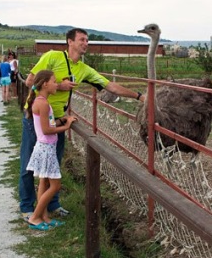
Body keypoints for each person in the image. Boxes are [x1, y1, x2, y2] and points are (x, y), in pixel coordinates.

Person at [19, 27, 145, 222]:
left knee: (53, 165)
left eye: (87, 40)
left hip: (58, 119)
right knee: (29, 163)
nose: (86, 43)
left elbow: (109, 86)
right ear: (70, 42)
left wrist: (139, 96)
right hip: (35, 118)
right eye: (82, 40)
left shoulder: (84, 69)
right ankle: (27, 207)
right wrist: (59, 86)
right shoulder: (53, 57)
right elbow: (29, 81)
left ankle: (52, 205)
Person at [25, 70, 77, 230]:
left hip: (44, 147)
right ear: (45, 84)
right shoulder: (44, 104)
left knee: (44, 181)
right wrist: (67, 126)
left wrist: (62, 120)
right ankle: (34, 217)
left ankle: (44, 216)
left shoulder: (40, 102)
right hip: (46, 148)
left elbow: (48, 124)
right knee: (55, 186)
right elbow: (47, 130)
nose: (57, 85)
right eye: (54, 81)